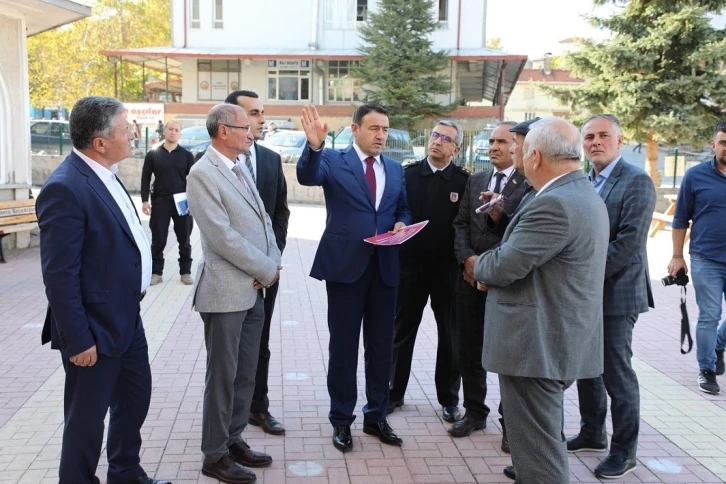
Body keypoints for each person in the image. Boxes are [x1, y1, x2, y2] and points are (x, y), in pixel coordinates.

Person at [36, 96, 170, 484]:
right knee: (86, 421)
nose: (134, 134)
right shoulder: (65, 188)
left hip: (127, 317)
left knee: (134, 399)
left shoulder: (105, 175)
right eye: (127, 128)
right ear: (99, 142)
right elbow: (59, 275)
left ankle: (125, 473)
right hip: (92, 329)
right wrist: (77, 340)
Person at [475, 117, 609, 484]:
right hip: (553, 342)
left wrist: (479, 266)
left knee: (539, 459)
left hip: (536, 348)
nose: (513, 152)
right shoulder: (579, 192)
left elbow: (504, 265)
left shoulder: (555, 203)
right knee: (541, 445)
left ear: (535, 156)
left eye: (518, 147)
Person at [297, 104, 412, 452]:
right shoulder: (333, 160)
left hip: (385, 269)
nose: (381, 135)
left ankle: (376, 416)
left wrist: (402, 223)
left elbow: (402, 207)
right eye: (374, 128)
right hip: (346, 268)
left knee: (380, 349)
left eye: (386, 129)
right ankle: (341, 421)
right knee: (344, 349)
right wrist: (314, 146)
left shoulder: (394, 169)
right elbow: (307, 176)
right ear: (355, 129)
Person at [186, 104, 282, 484]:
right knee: (223, 377)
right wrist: (265, 268)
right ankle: (214, 455)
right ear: (223, 131)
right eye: (244, 127)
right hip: (226, 292)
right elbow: (221, 236)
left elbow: (265, 221)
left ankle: (234, 438)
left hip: (254, 290)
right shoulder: (202, 173)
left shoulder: (240, 167)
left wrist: (271, 262)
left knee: (246, 373)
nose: (251, 133)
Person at [567, 114, 657, 479]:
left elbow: (628, 244)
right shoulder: (585, 182)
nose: (595, 142)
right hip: (586, 294)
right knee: (588, 368)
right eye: (588, 137)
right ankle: (592, 432)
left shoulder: (636, 182)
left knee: (617, 375)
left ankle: (624, 452)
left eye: (604, 136)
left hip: (616, 294)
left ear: (620, 142)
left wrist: (582, 276)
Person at [388, 120, 470, 423]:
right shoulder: (407, 175)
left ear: (456, 148)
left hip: (448, 272)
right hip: (410, 269)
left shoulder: (464, 182)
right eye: (434, 135)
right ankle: (393, 393)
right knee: (401, 332)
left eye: (445, 138)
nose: (437, 141)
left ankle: (449, 398)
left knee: (451, 335)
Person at [449, 121, 527, 440]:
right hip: (469, 278)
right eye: (491, 141)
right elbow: (461, 224)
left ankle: (511, 424)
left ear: (516, 146)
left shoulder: (529, 183)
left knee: (508, 352)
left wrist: (500, 213)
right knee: (468, 347)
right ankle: (474, 412)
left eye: (502, 141)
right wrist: (468, 260)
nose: (493, 146)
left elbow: (520, 234)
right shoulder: (476, 179)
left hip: (503, 281)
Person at [224, 89, 290, 435]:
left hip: (268, 272)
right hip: (232, 274)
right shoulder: (213, 164)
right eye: (254, 112)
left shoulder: (269, 159)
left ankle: (257, 407)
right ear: (230, 119)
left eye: (262, 112)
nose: (261, 119)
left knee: (259, 342)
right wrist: (250, 264)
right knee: (228, 348)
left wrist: (270, 260)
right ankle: (226, 414)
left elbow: (281, 211)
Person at [669, 122, 726, 395]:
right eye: (723, 142)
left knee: (714, 323)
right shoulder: (696, 176)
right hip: (706, 258)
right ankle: (707, 369)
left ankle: (717, 344)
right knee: (710, 315)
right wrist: (677, 256)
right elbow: (680, 219)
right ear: (713, 145)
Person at [140, 120, 195, 286]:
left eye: (176, 130)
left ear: (180, 134)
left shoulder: (186, 155)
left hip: (182, 202)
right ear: (164, 132)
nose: (173, 132)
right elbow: (145, 177)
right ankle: (156, 272)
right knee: (158, 239)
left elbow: (193, 181)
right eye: (170, 129)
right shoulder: (153, 154)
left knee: (184, 239)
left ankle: (185, 272)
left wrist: (193, 202)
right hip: (160, 200)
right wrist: (144, 200)